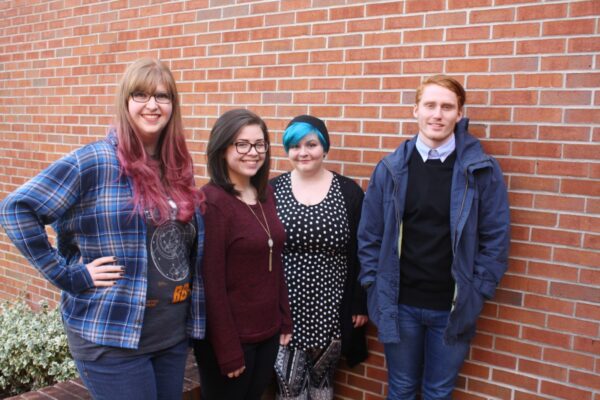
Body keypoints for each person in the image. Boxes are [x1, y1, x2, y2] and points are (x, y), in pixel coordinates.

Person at [0, 58, 206, 399]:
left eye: (162, 96)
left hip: (170, 338)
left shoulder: (175, 168)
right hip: (112, 337)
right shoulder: (95, 162)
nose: (152, 105)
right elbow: (16, 210)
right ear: (125, 102)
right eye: (140, 95)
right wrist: (68, 275)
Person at [358, 75, 510, 400]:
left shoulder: (480, 170)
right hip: (400, 306)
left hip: (452, 307)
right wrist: (373, 284)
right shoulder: (391, 169)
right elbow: (369, 235)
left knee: (438, 392)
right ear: (416, 110)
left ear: (459, 113)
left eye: (447, 106)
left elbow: (495, 237)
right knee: (400, 389)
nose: (437, 114)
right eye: (430, 105)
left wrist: (479, 290)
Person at [192, 108, 293, 400]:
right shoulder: (212, 203)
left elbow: (274, 262)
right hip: (231, 342)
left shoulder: (264, 194)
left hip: (267, 333)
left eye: (260, 144)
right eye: (242, 144)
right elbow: (210, 284)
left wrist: (283, 320)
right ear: (222, 149)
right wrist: (228, 350)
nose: (253, 152)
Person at [270, 115, 369, 399]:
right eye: (295, 146)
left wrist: (359, 302)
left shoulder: (348, 192)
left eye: (311, 144)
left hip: (331, 308)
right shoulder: (273, 191)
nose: (303, 152)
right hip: (287, 309)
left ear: (324, 147)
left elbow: (362, 251)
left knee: (322, 383)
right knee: (289, 387)